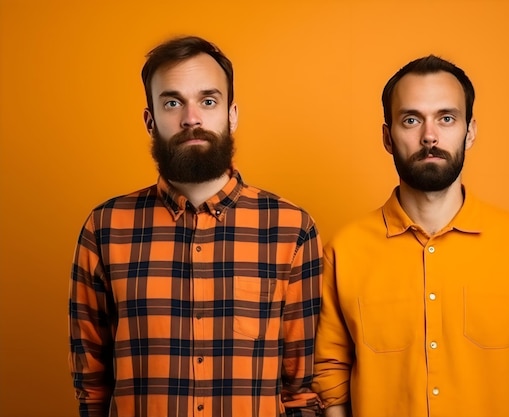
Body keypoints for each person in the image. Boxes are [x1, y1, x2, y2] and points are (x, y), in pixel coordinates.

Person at [69, 35, 323, 417]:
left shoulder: (291, 228)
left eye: (208, 100)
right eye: (173, 102)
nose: (192, 118)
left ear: (231, 114)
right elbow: (92, 389)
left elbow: (301, 392)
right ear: (150, 120)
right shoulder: (104, 228)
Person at [312, 55, 509, 417]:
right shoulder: (345, 251)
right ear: (387, 136)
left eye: (446, 118)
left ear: (471, 130)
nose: (429, 136)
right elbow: (331, 378)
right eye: (411, 119)